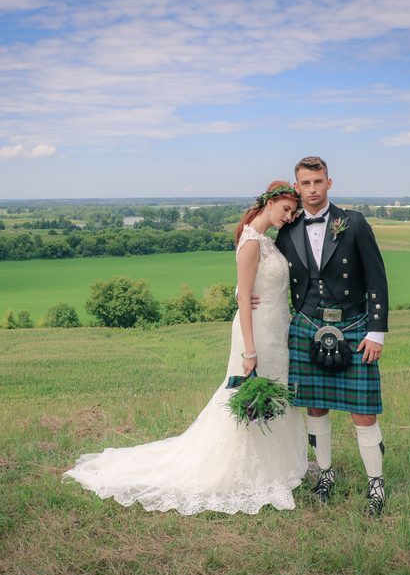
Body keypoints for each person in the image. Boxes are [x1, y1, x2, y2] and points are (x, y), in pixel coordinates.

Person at [63, 182, 308, 515]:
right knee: (249, 394)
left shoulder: (263, 240)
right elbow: (245, 303)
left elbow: (249, 285)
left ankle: (274, 466)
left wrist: (241, 290)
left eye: (293, 212)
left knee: (273, 394)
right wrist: (249, 351)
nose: (289, 216)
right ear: (271, 201)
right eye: (286, 209)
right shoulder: (251, 242)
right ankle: (242, 469)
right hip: (257, 334)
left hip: (277, 331)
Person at [274, 156, 389, 517]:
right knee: (315, 406)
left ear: (329, 183)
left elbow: (377, 278)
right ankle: (325, 474)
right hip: (308, 325)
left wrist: (377, 332)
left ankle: (376, 484)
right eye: (305, 183)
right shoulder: (287, 230)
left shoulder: (352, 223)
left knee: (363, 412)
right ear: (297, 187)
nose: (312, 189)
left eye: (318, 182)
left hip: (354, 327)